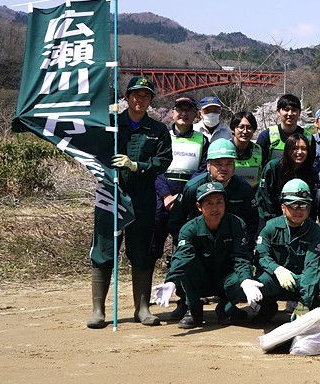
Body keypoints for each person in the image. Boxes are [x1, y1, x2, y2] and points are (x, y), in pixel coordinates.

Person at [88, 75, 172, 329]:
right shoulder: (111, 125)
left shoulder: (157, 131)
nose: (140, 99)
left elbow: (163, 161)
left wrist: (138, 166)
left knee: (142, 251)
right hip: (111, 193)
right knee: (104, 249)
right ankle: (98, 310)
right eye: (136, 94)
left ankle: (142, 308)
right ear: (127, 97)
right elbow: (92, 149)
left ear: (150, 100)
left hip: (142, 197)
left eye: (146, 96)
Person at [162, 181, 262, 329]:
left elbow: (241, 257)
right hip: (200, 279)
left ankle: (226, 308)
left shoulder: (236, 224)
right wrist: (171, 281)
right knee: (188, 266)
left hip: (225, 279)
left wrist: (246, 279)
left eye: (219, 202)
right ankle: (194, 310)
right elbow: (182, 257)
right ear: (199, 207)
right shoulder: (189, 229)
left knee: (240, 278)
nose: (215, 208)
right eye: (209, 203)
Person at [253, 178, 320, 318]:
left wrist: (304, 303)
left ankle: (313, 308)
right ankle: (267, 306)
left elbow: (312, 268)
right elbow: (261, 255)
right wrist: (276, 269)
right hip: (279, 280)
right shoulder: (270, 227)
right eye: (293, 206)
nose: (299, 210)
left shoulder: (316, 232)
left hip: (305, 279)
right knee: (260, 282)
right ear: (283, 207)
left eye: (303, 206)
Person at [151, 95, 207, 260]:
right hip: (162, 199)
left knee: (185, 247)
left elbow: (203, 170)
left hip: (187, 201)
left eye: (188, 110)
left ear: (196, 114)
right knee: (152, 248)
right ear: (173, 112)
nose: (184, 113)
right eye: (180, 109)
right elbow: (155, 168)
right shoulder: (162, 136)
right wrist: (166, 195)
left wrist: (181, 195)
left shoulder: (202, 140)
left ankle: (180, 284)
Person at [256, 133, 319, 230]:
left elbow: (311, 202)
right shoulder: (273, 167)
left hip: (299, 220)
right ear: (287, 150)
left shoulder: (311, 172)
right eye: (295, 148)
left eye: (304, 149)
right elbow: (264, 199)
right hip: (271, 219)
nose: (299, 152)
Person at [256, 93, 310, 162]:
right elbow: (260, 163)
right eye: (286, 109)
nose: (290, 113)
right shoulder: (266, 136)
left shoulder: (308, 137)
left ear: (299, 113)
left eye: (294, 110)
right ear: (278, 112)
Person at [229, 111, 264, 190]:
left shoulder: (259, 151)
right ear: (233, 129)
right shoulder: (224, 149)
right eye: (241, 127)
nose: (245, 131)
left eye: (249, 128)